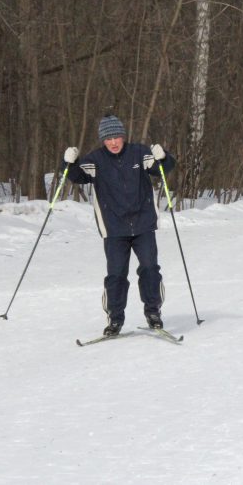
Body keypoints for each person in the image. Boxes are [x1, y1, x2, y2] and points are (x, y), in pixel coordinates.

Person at [64, 114, 177, 336]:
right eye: (108, 139)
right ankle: (115, 319)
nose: (113, 142)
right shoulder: (95, 160)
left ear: (123, 136)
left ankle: (153, 312)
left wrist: (163, 157)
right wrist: (69, 162)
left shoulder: (139, 152)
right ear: (102, 140)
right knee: (116, 274)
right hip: (114, 228)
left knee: (150, 269)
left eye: (116, 137)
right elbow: (76, 176)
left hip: (143, 224)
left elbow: (162, 169)